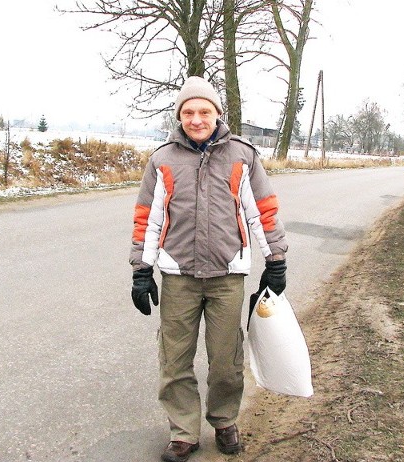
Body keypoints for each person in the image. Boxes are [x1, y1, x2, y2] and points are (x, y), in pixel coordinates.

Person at [129, 76, 288, 462]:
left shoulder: (243, 155)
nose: (196, 119)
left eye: (204, 111)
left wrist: (276, 260)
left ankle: (223, 420)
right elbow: (148, 218)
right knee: (175, 358)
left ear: (218, 113)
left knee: (226, 360)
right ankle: (183, 431)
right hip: (178, 275)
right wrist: (142, 268)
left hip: (227, 276)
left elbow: (262, 212)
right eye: (188, 112)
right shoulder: (163, 159)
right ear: (180, 116)